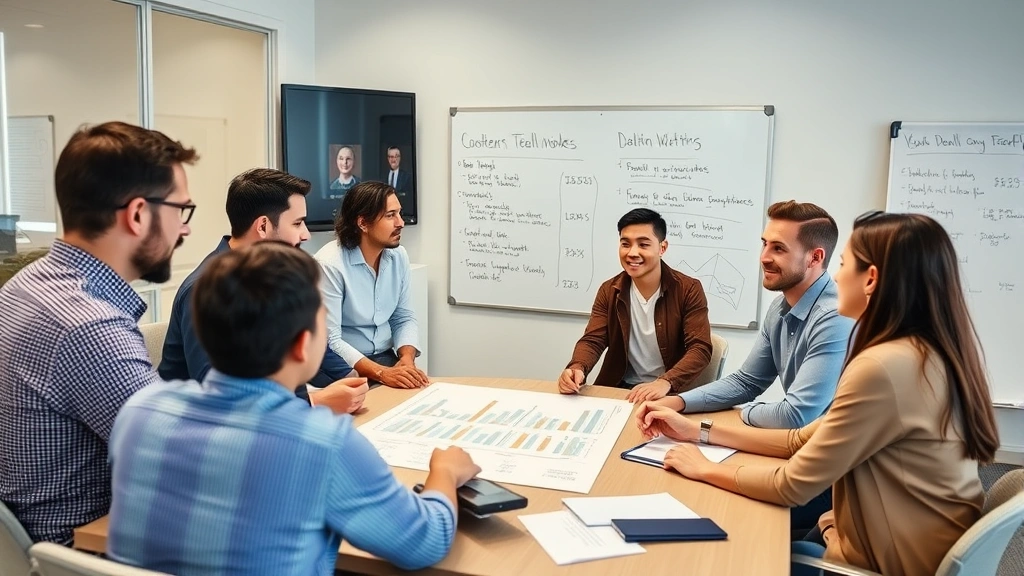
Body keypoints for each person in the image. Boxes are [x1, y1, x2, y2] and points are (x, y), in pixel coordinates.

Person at [637, 211, 999, 576]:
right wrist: (696, 431)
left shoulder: (883, 367)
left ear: (870, 279)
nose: (837, 277)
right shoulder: (921, 351)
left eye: (844, 264)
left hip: (889, 562)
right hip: (897, 541)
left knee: (738, 549)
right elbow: (800, 439)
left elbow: (790, 485)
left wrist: (701, 467)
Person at [107, 241, 481, 574]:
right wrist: (445, 472)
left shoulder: (138, 413)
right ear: (304, 346)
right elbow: (424, 542)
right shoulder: (322, 442)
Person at [0, 121, 196, 544]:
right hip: (84, 551)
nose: (185, 229)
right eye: (181, 210)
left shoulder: (24, 285)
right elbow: (184, 458)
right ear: (139, 214)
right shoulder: (89, 326)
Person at [157, 168, 366, 412]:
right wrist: (314, 402)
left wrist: (354, 380)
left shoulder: (272, 275)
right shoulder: (205, 290)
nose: (306, 234)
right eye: (298, 223)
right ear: (264, 226)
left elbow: (307, 346)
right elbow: (215, 394)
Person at [641, 200, 853, 428]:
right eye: (765, 244)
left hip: (842, 454)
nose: (764, 257)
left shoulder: (835, 317)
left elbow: (795, 415)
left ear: (815, 257)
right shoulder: (779, 308)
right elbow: (747, 382)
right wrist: (678, 402)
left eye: (778, 248)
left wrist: (736, 416)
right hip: (803, 442)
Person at [557, 208, 712, 403]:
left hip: (668, 392)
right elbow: (593, 340)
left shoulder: (688, 289)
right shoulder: (609, 290)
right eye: (625, 244)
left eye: (643, 244)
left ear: (662, 248)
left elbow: (700, 349)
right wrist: (577, 367)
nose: (632, 253)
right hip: (620, 390)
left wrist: (665, 382)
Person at [313, 181, 429, 388]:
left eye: (399, 213)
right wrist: (383, 374)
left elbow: (403, 316)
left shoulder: (398, 256)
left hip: (385, 357)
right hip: (343, 366)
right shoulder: (329, 264)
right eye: (390, 215)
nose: (400, 222)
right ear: (363, 223)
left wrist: (406, 360)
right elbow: (331, 341)